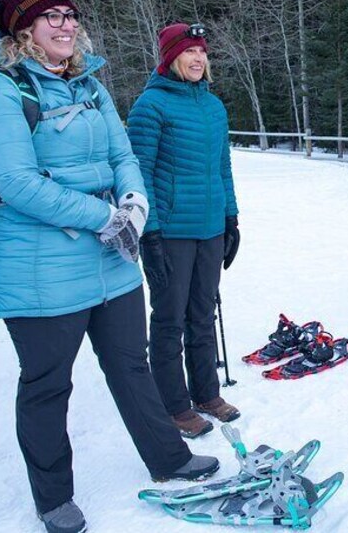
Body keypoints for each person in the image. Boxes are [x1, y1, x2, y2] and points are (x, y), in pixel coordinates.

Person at [0, 0, 219, 533]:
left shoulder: (90, 85)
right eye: (50, 17)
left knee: (131, 365)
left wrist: (132, 202)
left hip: (109, 258)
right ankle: (53, 497)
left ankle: (170, 459)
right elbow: (14, 181)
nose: (65, 25)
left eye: (70, 16)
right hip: (39, 265)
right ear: (22, 28)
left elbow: (122, 153)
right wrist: (104, 218)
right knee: (48, 383)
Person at [127, 23, 240, 439]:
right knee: (170, 318)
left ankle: (207, 393)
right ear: (170, 58)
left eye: (202, 52)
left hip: (210, 228)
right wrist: (150, 235)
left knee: (202, 313)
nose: (198, 59)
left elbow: (222, 168)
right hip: (171, 231)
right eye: (188, 52)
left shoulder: (214, 108)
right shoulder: (150, 106)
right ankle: (174, 404)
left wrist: (231, 218)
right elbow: (140, 174)